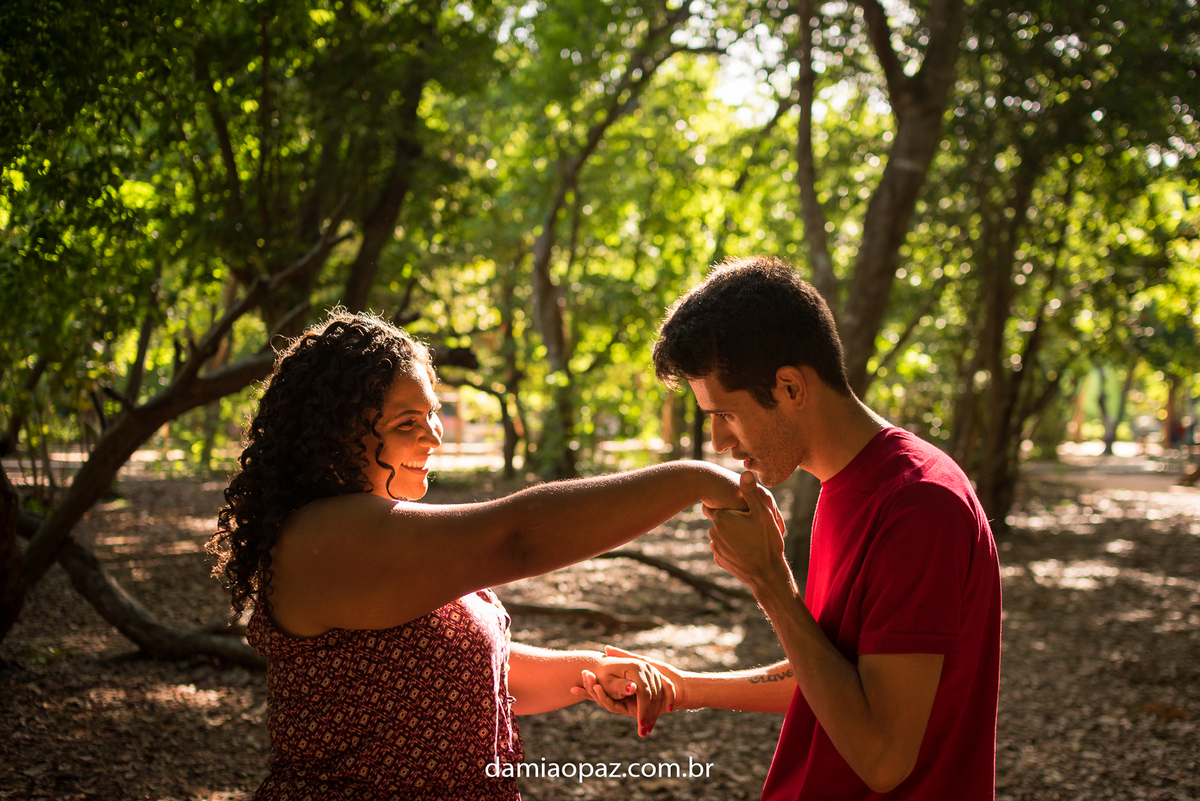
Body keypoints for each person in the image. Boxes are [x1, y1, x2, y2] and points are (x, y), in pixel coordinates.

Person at [207, 310, 742, 800]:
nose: (433, 437)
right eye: (405, 423)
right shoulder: (323, 535)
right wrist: (693, 479)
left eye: (432, 414)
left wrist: (589, 671)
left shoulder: (383, 527)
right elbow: (516, 538)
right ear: (334, 438)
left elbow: (468, 672)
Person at [577, 256, 1002, 799]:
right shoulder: (846, 483)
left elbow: (883, 757)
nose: (719, 444)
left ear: (790, 388)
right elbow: (834, 672)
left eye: (726, 414)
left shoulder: (919, 505)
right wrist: (684, 687)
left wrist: (770, 582)